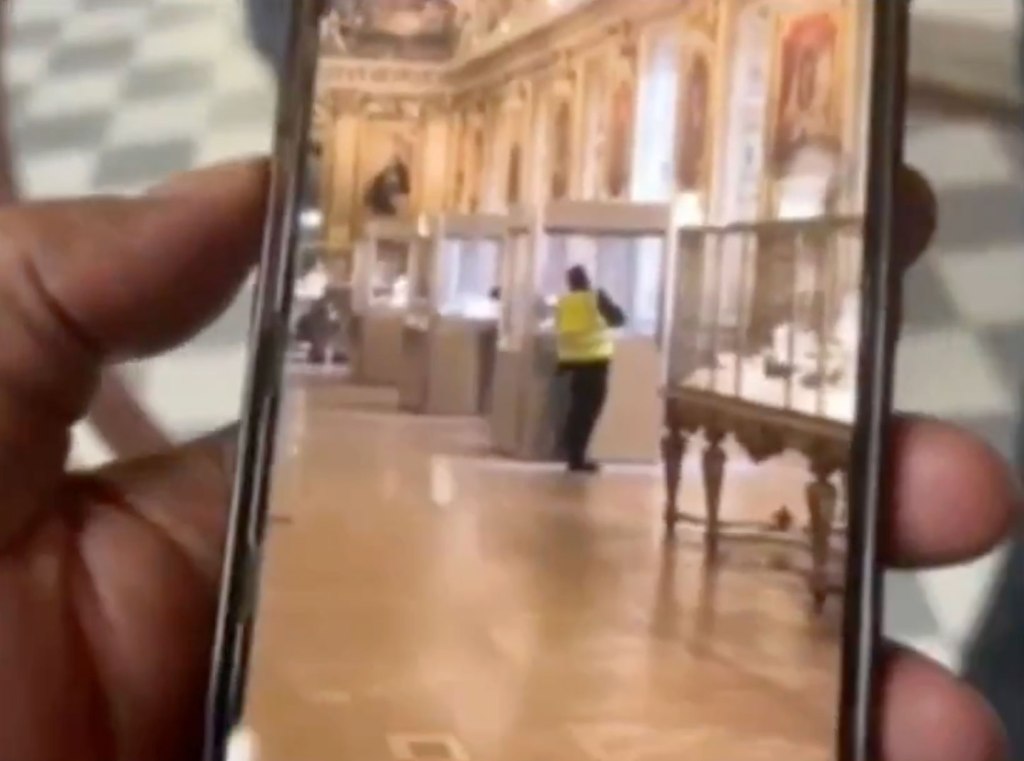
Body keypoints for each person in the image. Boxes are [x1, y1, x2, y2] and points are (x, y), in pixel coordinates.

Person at [0, 158, 1015, 761]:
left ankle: (571, 464)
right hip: (578, 373)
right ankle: (571, 464)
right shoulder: (579, 301)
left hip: (574, 373)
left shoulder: (571, 300)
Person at [555, 265, 626, 472]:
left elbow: (561, 330)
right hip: (595, 363)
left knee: (577, 411)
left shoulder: (565, 302)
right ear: (587, 280)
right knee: (587, 413)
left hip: (573, 364)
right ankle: (577, 458)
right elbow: (619, 319)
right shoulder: (596, 297)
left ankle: (572, 453)